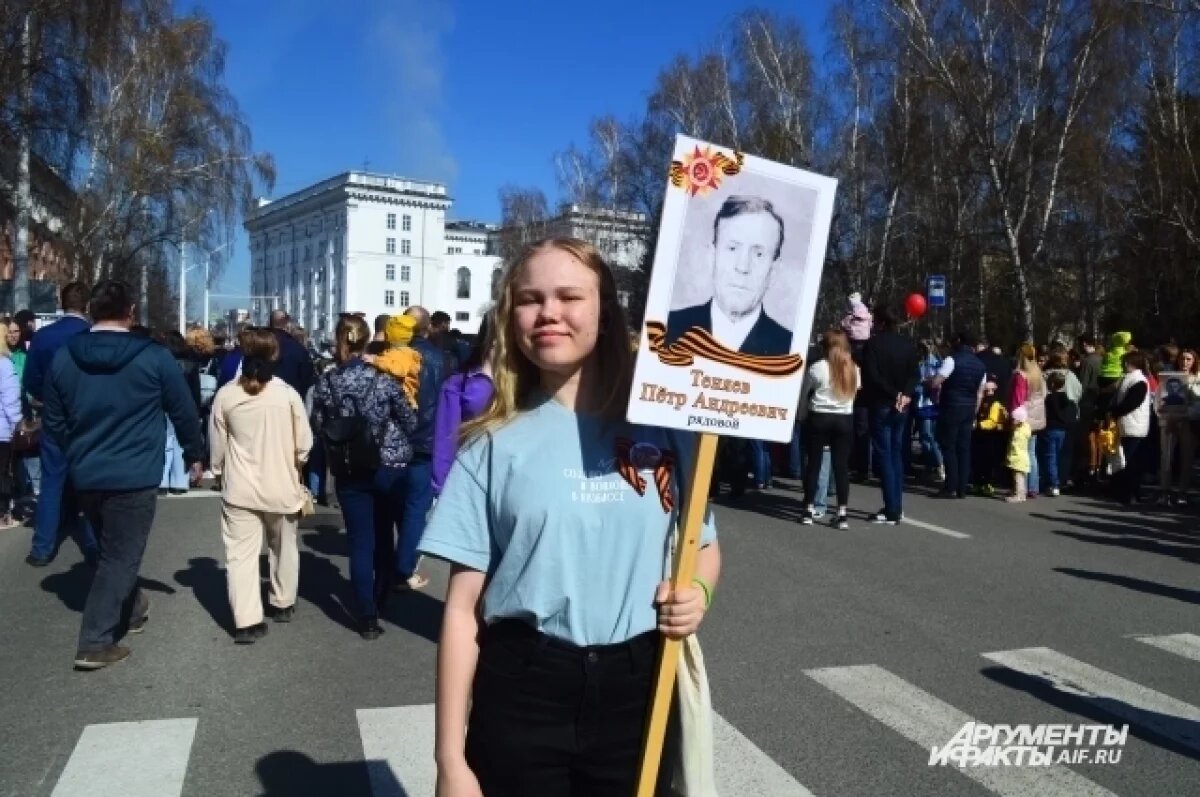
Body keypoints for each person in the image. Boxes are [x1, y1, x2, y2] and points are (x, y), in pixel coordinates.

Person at [419, 237, 719, 796]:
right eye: (530, 299)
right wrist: (450, 762)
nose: (549, 312)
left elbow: (700, 543)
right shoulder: (490, 444)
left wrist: (699, 591)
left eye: (569, 296)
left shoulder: (663, 429)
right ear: (511, 318)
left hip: (640, 690)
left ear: (604, 311)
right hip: (524, 690)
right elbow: (461, 611)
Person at [43, 280, 204, 669]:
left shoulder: (65, 358)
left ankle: (132, 610)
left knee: (113, 550)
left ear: (92, 312)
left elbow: (54, 419)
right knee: (121, 555)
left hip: (86, 471)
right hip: (134, 471)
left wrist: (76, 451)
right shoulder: (153, 358)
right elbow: (182, 408)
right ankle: (95, 641)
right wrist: (194, 453)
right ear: (131, 312)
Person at [311, 315, 418, 639]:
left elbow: (318, 423)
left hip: (348, 467)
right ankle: (381, 598)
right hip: (387, 464)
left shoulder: (326, 382)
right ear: (369, 339)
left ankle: (366, 615)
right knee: (384, 537)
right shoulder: (383, 379)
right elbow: (410, 421)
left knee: (359, 540)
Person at [210, 327, 312, 643]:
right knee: (284, 547)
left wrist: (218, 472)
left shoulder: (226, 395)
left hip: (240, 487)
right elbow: (304, 445)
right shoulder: (288, 395)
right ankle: (282, 602)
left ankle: (246, 620)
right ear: (275, 355)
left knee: (240, 555)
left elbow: (217, 446)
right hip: (281, 484)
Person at [23, 281, 97, 568]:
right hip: (88, 418)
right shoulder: (92, 335)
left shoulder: (44, 337)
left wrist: (45, 397)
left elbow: (30, 378)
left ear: (62, 303)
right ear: (87, 306)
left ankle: (42, 547)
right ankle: (93, 545)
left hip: (54, 417)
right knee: (89, 484)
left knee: (51, 482)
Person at [665, 195, 792, 355]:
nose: (742, 267)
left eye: (758, 254)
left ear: (774, 270)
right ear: (712, 257)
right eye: (732, 249)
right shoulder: (666, 328)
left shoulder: (789, 350)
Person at [394, 305, 446, 592]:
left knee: (395, 505)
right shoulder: (441, 360)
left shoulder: (390, 358)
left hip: (394, 441)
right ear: (427, 328)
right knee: (416, 507)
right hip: (426, 441)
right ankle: (404, 566)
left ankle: (395, 562)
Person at [861, 303, 919, 524]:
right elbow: (915, 374)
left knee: (885, 455)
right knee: (896, 454)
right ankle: (897, 505)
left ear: (882, 322)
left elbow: (872, 376)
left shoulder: (873, 345)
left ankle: (891, 508)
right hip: (902, 404)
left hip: (883, 403)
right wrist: (906, 393)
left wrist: (895, 393)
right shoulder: (908, 345)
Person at [797, 329, 859, 529]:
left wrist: (801, 416)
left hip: (820, 417)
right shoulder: (853, 369)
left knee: (814, 464)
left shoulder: (818, 368)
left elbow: (805, 394)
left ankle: (808, 508)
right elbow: (854, 393)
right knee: (841, 468)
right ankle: (842, 513)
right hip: (844, 418)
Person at [431, 316, 494, 497]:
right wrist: (441, 489)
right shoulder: (460, 383)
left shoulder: (530, 382)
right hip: (471, 482)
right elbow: (446, 437)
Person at [933, 330, 987, 499]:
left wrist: (929, 382)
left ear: (958, 342)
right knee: (964, 447)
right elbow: (980, 392)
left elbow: (937, 382)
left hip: (951, 406)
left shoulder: (951, 360)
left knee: (948, 445)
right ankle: (962, 487)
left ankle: (951, 486)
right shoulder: (980, 365)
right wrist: (975, 411)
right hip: (969, 407)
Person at [1109, 350, 1152, 505]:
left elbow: (1131, 403)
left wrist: (1114, 411)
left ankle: (1132, 493)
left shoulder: (1139, 381)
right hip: (1128, 424)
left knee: (1131, 461)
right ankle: (1126, 492)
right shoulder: (1129, 379)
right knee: (1125, 459)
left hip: (1134, 425)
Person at [1157, 348, 1199, 505]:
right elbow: (1159, 398)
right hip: (1168, 421)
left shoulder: (1197, 379)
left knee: (1187, 457)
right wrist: (1166, 415)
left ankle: (1183, 492)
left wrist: (1183, 415)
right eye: (1183, 359)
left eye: (1189, 359)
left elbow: (1198, 404)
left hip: (1187, 422)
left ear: (1194, 361)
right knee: (1166, 457)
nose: (1185, 362)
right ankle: (1164, 491)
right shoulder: (1168, 377)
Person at [1007, 344, 1047, 499]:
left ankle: (1020, 489)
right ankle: (1033, 487)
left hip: (1023, 419)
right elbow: (1043, 394)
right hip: (1036, 417)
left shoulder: (1020, 375)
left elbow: (1018, 399)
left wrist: (1014, 419)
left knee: (1018, 454)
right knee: (1031, 453)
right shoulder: (1037, 373)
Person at [367, 314, 422, 407]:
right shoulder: (404, 353)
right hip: (400, 401)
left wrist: (376, 360)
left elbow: (399, 370)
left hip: (404, 402)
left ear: (388, 335)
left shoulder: (403, 354)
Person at [1042, 371, 1079, 498]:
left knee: (1050, 457)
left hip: (1051, 428)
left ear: (1052, 384)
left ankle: (1053, 483)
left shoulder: (1049, 398)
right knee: (1059, 456)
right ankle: (1060, 480)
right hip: (1063, 430)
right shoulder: (1068, 400)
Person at [913, 339, 944, 483]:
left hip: (928, 404)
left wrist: (922, 383)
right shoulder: (928, 363)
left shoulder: (934, 363)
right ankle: (931, 466)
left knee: (928, 436)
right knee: (928, 437)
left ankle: (938, 465)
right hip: (927, 404)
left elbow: (927, 384)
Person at [0, 331, 22, 528]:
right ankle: (2, 515)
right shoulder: (4, 364)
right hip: (1, 428)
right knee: (2, 472)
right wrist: (18, 421)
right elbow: (10, 398)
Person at [268, 310, 316, 398]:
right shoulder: (298, 349)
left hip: (262, 400)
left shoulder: (260, 344)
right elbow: (307, 381)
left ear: (270, 323)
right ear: (287, 324)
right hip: (291, 401)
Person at [972, 377, 1007, 497]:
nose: (988, 393)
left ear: (995, 390)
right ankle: (977, 483)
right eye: (986, 390)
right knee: (977, 461)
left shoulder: (996, 403)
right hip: (979, 436)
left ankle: (988, 484)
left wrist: (979, 425)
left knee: (989, 462)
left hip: (991, 437)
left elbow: (993, 421)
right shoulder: (981, 401)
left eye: (990, 390)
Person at [1005, 406, 1032, 503]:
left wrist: (1009, 458)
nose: (1012, 421)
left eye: (1014, 419)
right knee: (1021, 478)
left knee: (1018, 478)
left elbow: (1013, 446)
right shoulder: (1026, 428)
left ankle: (1018, 495)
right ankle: (1022, 494)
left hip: (1017, 459)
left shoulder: (1018, 434)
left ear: (1019, 421)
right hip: (1023, 458)